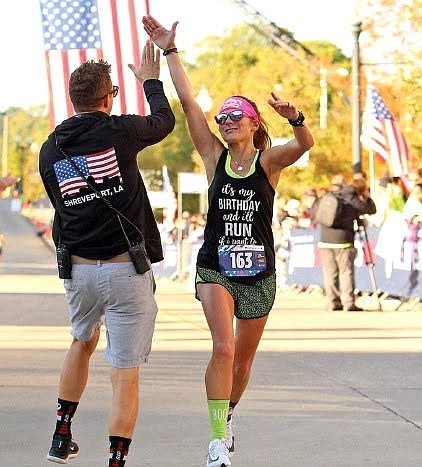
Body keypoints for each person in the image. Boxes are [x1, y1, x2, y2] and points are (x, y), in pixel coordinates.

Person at [142, 15, 314, 467]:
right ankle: (217, 440)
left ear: (255, 123)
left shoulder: (269, 161)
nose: (225, 120)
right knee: (223, 347)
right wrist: (169, 51)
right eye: (223, 116)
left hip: (259, 272)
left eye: (236, 115)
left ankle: (229, 414)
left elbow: (305, 143)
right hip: (215, 265)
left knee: (241, 364)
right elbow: (188, 103)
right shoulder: (212, 156)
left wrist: (295, 116)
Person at [39, 41, 175, 466]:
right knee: (124, 373)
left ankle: (62, 434)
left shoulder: (50, 149)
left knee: (81, 341)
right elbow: (164, 121)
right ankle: (116, 460)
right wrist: (152, 81)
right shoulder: (120, 132)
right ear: (108, 96)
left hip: (78, 272)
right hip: (124, 270)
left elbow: (62, 208)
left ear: (72, 99)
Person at [312, 174, 376, 312]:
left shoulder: (330, 195)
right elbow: (371, 209)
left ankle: (333, 302)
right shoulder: (352, 199)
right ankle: (348, 303)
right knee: (346, 272)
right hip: (343, 241)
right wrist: (366, 196)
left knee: (330, 273)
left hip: (324, 240)